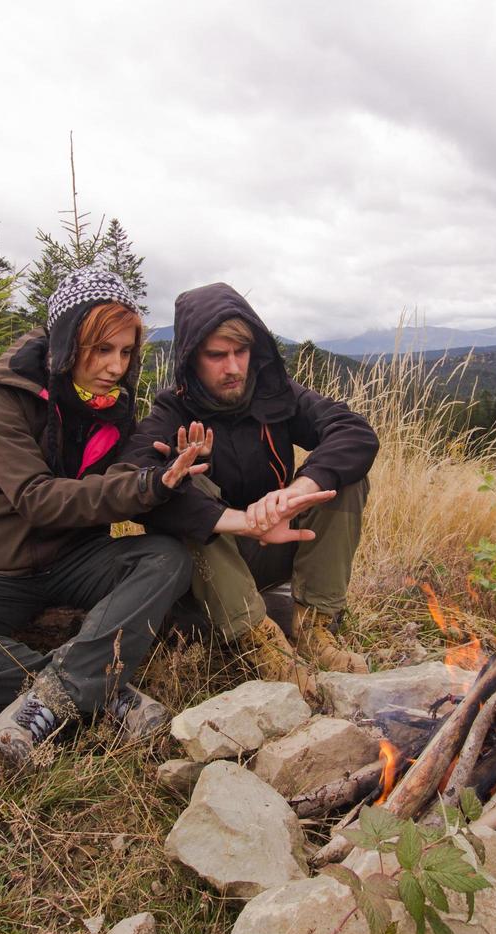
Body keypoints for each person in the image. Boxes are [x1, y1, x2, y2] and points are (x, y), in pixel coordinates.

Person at [0, 269, 207, 766]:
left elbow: (120, 479)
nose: (115, 366)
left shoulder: (113, 405)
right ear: (67, 338)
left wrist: (161, 473)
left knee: (164, 558)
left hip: (80, 557)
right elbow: (35, 497)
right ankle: (101, 692)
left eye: (125, 352)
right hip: (3, 569)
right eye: (101, 349)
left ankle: (59, 696)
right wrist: (144, 485)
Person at [123, 282, 379, 695]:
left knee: (344, 477)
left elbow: (355, 432)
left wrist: (297, 490)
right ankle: (259, 641)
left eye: (240, 352)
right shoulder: (171, 411)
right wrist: (181, 473)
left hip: (276, 543)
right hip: (210, 568)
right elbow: (132, 477)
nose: (234, 368)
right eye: (217, 355)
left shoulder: (275, 395)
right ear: (191, 358)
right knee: (186, 485)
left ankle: (314, 628)